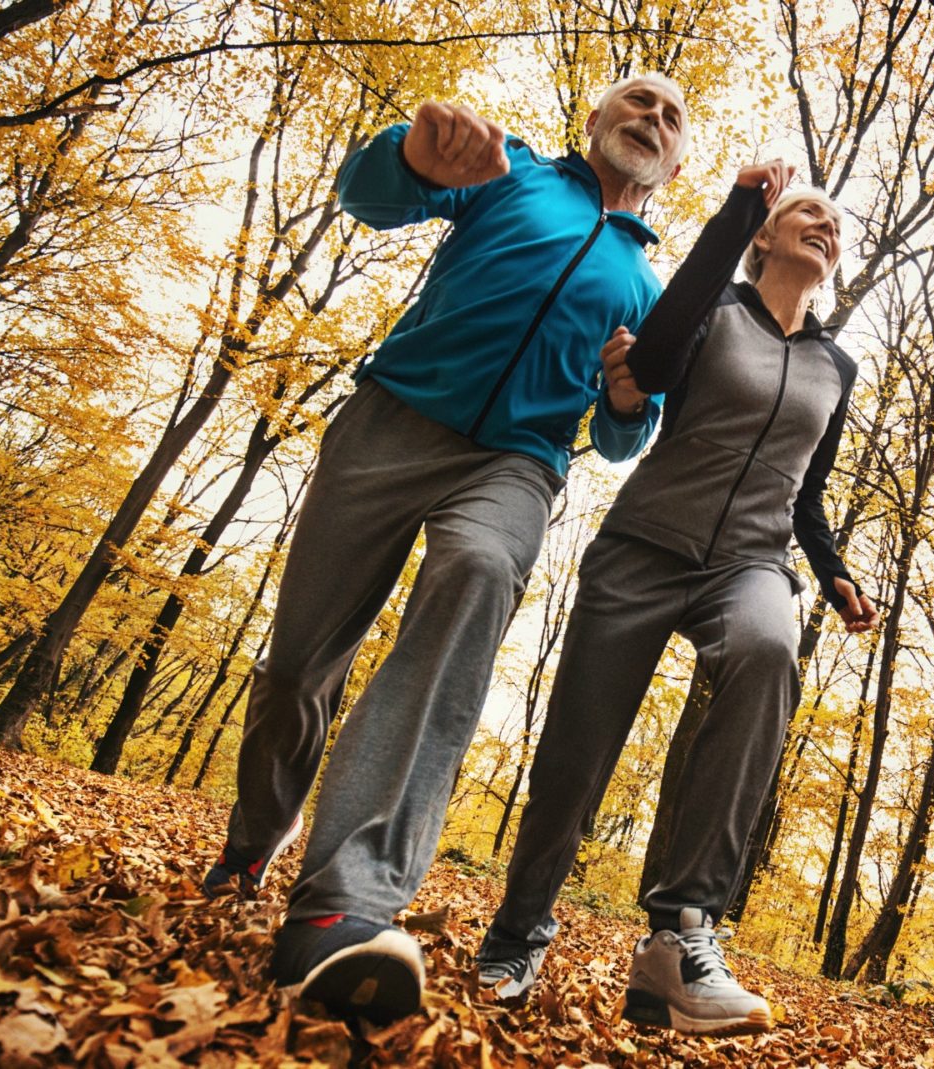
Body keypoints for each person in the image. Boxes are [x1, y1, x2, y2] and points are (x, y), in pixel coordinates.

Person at [200, 75, 697, 1024]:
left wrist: (631, 402)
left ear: (677, 166)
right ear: (593, 122)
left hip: (517, 465)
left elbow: (627, 430)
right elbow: (373, 196)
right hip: (393, 420)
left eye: (672, 119)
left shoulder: (651, 286)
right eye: (636, 102)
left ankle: (347, 902)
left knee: (476, 571)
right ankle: (259, 834)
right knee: (299, 662)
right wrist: (407, 157)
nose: (652, 120)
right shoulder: (509, 177)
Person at [474, 176, 879, 1036]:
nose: (826, 227)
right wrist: (735, 210)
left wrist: (833, 567)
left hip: (752, 561)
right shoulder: (714, 308)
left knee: (771, 651)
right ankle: (516, 934)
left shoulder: (836, 365)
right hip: (647, 544)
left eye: (836, 225)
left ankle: (681, 932)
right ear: (764, 238)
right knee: (579, 747)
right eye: (808, 212)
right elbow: (649, 368)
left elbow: (809, 496)